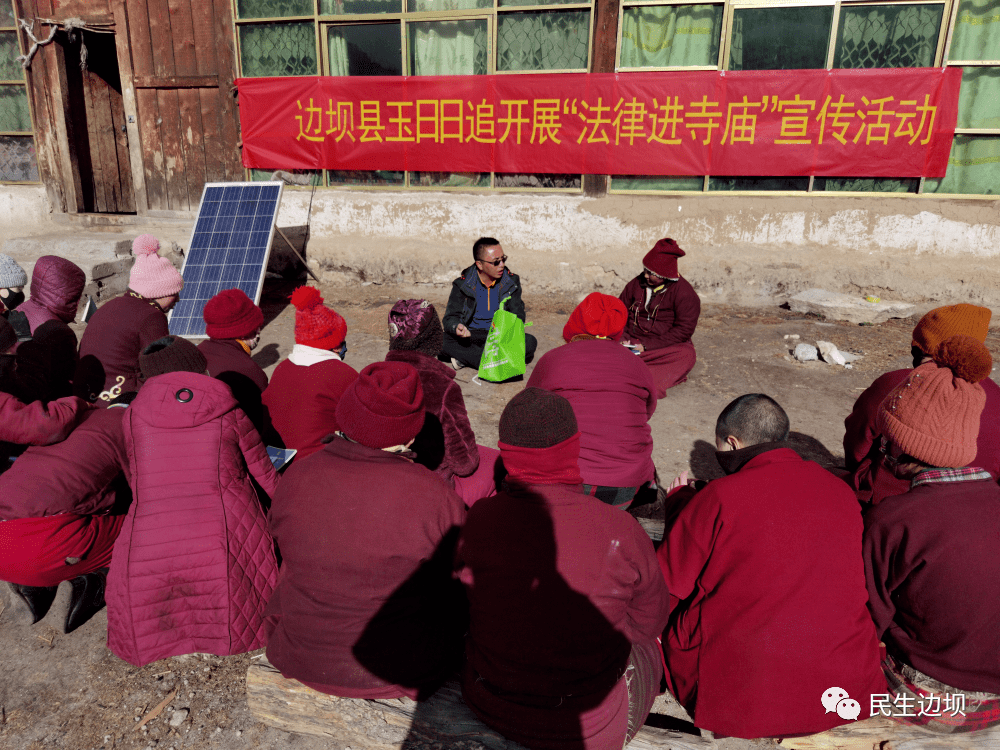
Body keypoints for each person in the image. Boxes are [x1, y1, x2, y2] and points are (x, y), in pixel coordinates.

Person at [657, 394, 885, 739]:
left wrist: (680, 508)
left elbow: (669, 585)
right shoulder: (839, 491)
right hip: (843, 682)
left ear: (732, 443)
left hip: (745, 696)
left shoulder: (719, 497)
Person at [456, 388, 669, 750]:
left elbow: (465, 603)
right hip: (590, 729)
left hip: (491, 706)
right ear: (573, 447)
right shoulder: (619, 529)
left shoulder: (480, 518)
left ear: (507, 455)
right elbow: (648, 624)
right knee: (650, 649)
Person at [265, 362, 467, 699]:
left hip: (300, 655)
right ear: (411, 433)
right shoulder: (435, 496)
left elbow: (281, 538)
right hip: (396, 670)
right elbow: (459, 572)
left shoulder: (297, 476)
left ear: (346, 415)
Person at [106, 336, 278, 667]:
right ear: (200, 368)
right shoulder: (226, 409)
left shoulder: (132, 416)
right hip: (223, 526)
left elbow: (136, 478)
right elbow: (264, 474)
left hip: (152, 528)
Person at [863, 335, 1000, 729]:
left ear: (906, 452)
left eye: (886, 443)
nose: (882, 452)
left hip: (931, 703)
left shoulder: (895, 520)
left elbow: (868, 620)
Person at [844, 303, 1000, 504]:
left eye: (916, 347)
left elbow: (857, 446)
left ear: (923, 350)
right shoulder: (993, 394)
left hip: (891, 500)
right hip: (974, 502)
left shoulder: (897, 383)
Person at [0, 408, 129, 634]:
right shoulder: (134, 426)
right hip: (39, 547)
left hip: (8, 538)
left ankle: (36, 587)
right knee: (142, 527)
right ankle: (98, 579)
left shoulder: (63, 424)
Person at [527, 293, 657, 509]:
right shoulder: (637, 365)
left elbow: (528, 412)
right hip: (626, 487)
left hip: (563, 482)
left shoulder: (553, 359)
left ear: (576, 321)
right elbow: (647, 411)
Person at [384, 299, 499, 504]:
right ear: (434, 338)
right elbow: (465, 463)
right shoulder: (442, 387)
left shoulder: (374, 377)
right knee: (497, 465)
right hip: (429, 491)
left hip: (384, 482)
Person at [76, 235, 183, 405]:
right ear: (158, 292)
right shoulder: (151, 316)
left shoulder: (111, 305)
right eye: (174, 293)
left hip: (87, 396)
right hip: (120, 402)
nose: (177, 299)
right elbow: (159, 369)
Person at [262, 286, 357, 460]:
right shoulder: (343, 375)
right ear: (336, 345)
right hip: (318, 463)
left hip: (277, 459)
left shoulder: (282, 368)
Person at [619, 238, 700, 398]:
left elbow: (683, 331)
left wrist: (646, 346)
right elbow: (620, 311)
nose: (646, 276)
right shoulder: (636, 284)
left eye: (652, 274)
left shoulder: (685, 294)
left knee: (685, 355)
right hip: (629, 341)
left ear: (665, 275)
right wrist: (621, 337)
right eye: (645, 270)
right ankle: (627, 360)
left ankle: (635, 372)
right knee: (601, 342)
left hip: (659, 348)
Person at [441, 237, 537, 371]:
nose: (502, 265)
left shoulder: (511, 282)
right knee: (440, 340)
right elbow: (450, 318)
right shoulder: (462, 284)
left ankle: (468, 359)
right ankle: (497, 362)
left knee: (530, 342)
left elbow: (518, 314)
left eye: (503, 259)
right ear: (480, 265)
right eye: (496, 262)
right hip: (470, 336)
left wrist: (508, 328)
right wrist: (457, 327)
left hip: (499, 337)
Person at [9, 255, 85, 402]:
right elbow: (69, 379)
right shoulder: (59, 332)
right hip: (46, 403)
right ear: (71, 293)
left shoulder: (20, 309)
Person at [198, 288, 268, 432]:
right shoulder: (249, 371)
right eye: (256, 326)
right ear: (245, 331)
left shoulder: (196, 353)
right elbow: (263, 421)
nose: (259, 331)